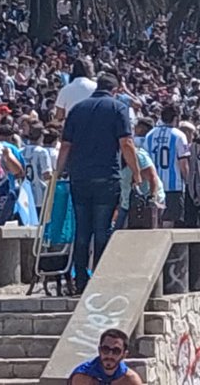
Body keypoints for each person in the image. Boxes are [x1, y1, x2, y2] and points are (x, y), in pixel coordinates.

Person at [55, 73, 141, 294]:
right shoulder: (117, 109)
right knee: (102, 229)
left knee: (82, 230)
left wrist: (58, 171)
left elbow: (65, 145)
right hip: (106, 175)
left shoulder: (77, 110)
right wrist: (136, 173)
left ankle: (80, 280)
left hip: (79, 176)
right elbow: (126, 143)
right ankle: (101, 278)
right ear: (115, 90)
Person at [144, 105, 190, 228]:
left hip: (153, 185)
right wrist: (188, 182)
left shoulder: (150, 135)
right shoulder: (179, 135)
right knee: (169, 220)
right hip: (173, 185)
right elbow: (183, 163)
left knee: (154, 219)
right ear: (176, 118)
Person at [68, 328, 143, 385]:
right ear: (99, 350)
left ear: (124, 354)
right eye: (105, 349)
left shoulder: (130, 380)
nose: (110, 355)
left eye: (116, 351)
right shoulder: (82, 376)